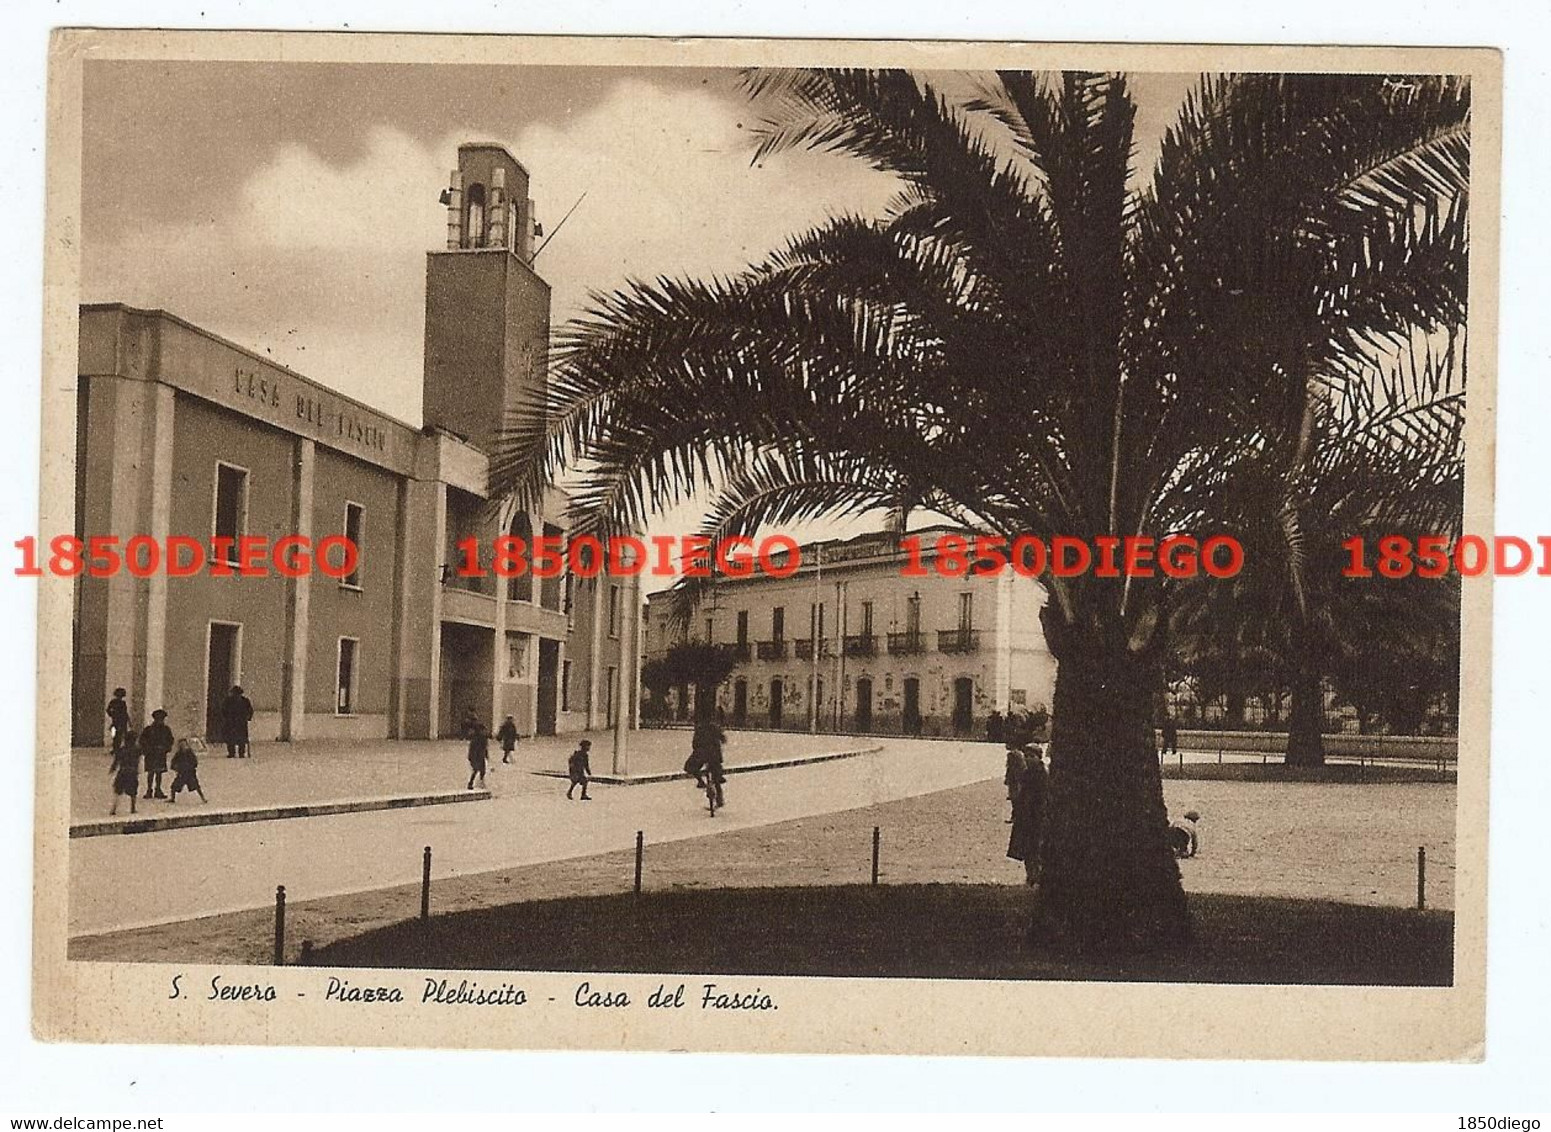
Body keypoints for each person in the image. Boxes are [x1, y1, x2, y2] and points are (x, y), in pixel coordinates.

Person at [1006, 743, 1048, 886]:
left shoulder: (1042, 775)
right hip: (1026, 818)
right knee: (1027, 850)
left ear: (1039, 758)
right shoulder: (1027, 774)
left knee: (1034, 849)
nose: (1029, 759)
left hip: (1036, 818)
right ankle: (1031, 876)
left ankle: (1035, 876)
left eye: (1032, 756)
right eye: (1027, 756)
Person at [140, 708, 174, 800]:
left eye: (161, 719)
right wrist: (146, 749)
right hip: (151, 754)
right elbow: (142, 740)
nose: (160, 721)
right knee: (151, 773)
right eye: (159, 719)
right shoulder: (149, 729)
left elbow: (170, 740)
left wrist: (166, 748)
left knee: (159, 773)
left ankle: (157, 790)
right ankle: (149, 790)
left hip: (160, 754)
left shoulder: (166, 729)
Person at [108, 729, 140, 816]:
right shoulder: (137, 750)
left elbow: (116, 761)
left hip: (123, 771)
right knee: (133, 791)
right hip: (132, 772)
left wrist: (112, 769)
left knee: (117, 791)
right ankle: (133, 808)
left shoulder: (121, 750)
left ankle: (113, 809)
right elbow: (137, 761)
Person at [169, 737, 207, 804]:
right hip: (181, 773)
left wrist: (192, 767)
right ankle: (172, 798)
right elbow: (173, 763)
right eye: (181, 745)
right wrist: (176, 768)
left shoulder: (189, 753)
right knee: (174, 786)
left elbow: (194, 762)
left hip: (190, 773)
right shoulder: (178, 754)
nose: (183, 746)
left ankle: (203, 798)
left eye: (184, 744)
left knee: (196, 786)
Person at [222, 685, 253, 758]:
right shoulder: (229, 701)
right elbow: (224, 710)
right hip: (234, 722)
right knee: (232, 739)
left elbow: (250, 710)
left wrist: (248, 717)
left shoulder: (244, 701)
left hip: (239, 722)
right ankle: (233, 753)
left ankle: (240, 753)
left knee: (239, 739)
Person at [1003, 738, 1029, 823]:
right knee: (1015, 798)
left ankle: (1016, 816)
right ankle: (1016, 815)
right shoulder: (1018, 754)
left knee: (1015, 798)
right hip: (1016, 778)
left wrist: (1008, 778)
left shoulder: (1013, 755)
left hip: (1015, 779)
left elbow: (1011, 768)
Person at [465, 719, 490, 790]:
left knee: (481, 770)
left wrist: (486, 755)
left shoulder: (480, 738)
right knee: (476, 770)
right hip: (476, 756)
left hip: (479, 756)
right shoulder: (477, 738)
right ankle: (471, 783)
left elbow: (484, 748)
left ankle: (480, 782)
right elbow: (476, 748)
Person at [106, 688, 130, 753]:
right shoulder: (113, 702)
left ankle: (117, 748)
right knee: (116, 735)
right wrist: (112, 714)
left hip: (121, 721)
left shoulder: (122, 703)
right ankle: (116, 748)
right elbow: (108, 710)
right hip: (117, 721)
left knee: (119, 735)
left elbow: (125, 713)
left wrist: (128, 720)